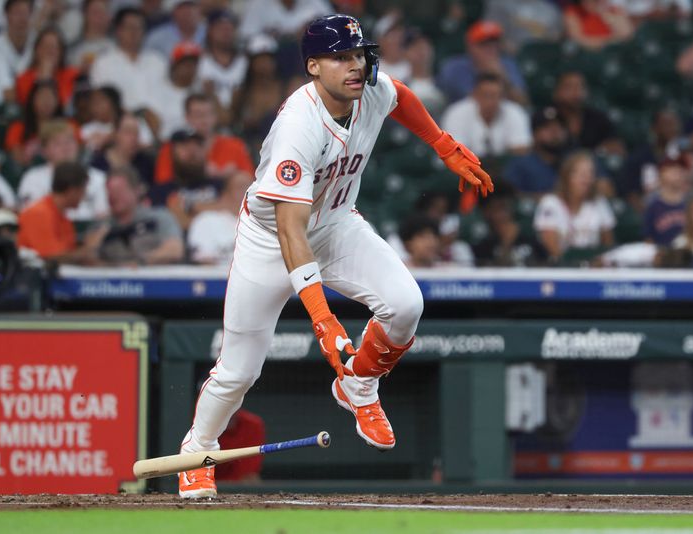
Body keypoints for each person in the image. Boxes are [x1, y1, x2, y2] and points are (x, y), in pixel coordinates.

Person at [176, 14, 493, 499]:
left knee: (406, 305)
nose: (355, 65)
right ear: (313, 66)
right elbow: (289, 230)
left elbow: (400, 95)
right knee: (240, 370)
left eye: (359, 54)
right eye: (340, 57)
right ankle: (196, 452)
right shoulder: (297, 126)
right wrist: (323, 320)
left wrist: (442, 144)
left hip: (337, 222)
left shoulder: (368, 88)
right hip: (271, 238)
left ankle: (359, 384)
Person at [84, 166, 183, 266]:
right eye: (109, 191)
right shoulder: (101, 225)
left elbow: (174, 250)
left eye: (119, 191)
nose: (113, 196)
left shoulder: (159, 217)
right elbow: (88, 259)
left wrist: (140, 263)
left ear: (136, 191)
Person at [17, 118, 108, 221]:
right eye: (57, 143)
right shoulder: (32, 178)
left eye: (69, 141)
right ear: (44, 151)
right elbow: (30, 215)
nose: (66, 147)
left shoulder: (97, 177)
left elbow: (103, 216)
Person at [534, 150, 616, 262]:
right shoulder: (550, 203)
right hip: (561, 266)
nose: (586, 179)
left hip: (593, 264)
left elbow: (608, 243)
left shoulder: (599, 202)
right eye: (581, 174)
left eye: (590, 173)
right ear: (567, 176)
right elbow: (552, 246)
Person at [439, 72, 532, 159]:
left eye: (495, 95)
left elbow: (521, 150)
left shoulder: (514, 112)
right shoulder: (456, 113)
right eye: (485, 95)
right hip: (463, 170)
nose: (490, 101)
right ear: (475, 95)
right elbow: (455, 153)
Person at [436, 20, 528, 106]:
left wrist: (504, 77)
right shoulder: (455, 67)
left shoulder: (508, 64)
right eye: (484, 44)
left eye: (494, 44)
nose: (491, 49)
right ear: (470, 46)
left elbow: (523, 103)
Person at [17, 160, 92, 262]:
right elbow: (51, 257)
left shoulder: (63, 217)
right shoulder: (39, 213)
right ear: (71, 191)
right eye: (82, 191)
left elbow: (68, 252)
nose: (83, 196)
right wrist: (89, 248)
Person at [473, 180, 548, 267]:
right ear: (486, 212)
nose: (504, 214)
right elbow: (490, 276)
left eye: (505, 208)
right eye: (497, 209)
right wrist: (506, 243)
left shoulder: (528, 236)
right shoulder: (484, 243)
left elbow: (545, 266)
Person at [503, 106, 568, 198]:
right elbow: (510, 196)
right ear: (534, 134)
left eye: (559, 127)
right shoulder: (521, 164)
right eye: (547, 128)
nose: (555, 132)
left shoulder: (572, 162)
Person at [5, 79, 68, 167]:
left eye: (50, 97)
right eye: (42, 96)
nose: (46, 101)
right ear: (32, 100)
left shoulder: (68, 126)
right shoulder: (18, 128)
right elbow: (18, 159)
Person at [15, 26, 80, 107]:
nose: (50, 52)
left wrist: (48, 79)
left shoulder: (71, 75)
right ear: (36, 51)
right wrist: (43, 79)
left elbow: (63, 106)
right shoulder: (23, 79)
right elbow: (31, 108)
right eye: (46, 47)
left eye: (54, 48)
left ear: (61, 52)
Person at [644, 156, 692, 246]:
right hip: (664, 255)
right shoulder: (652, 205)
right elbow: (648, 239)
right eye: (673, 170)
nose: (678, 173)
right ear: (661, 174)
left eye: (680, 170)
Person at [0, 0, 34, 75]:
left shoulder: (39, 44)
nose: (22, 19)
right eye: (18, 13)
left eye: (26, 13)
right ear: (7, 15)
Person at [563, 0, 634, 51]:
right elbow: (579, 40)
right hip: (587, 56)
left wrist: (603, 13)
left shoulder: (612, 10)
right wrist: (610, 41)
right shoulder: (574, 12)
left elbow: (627, 33)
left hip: (614, 53)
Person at [68, 0, 114, 71]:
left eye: (103, 12)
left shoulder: (117, 46)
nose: (99, 17)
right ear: (85, 15)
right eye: (95, 12)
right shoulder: (73, 49)